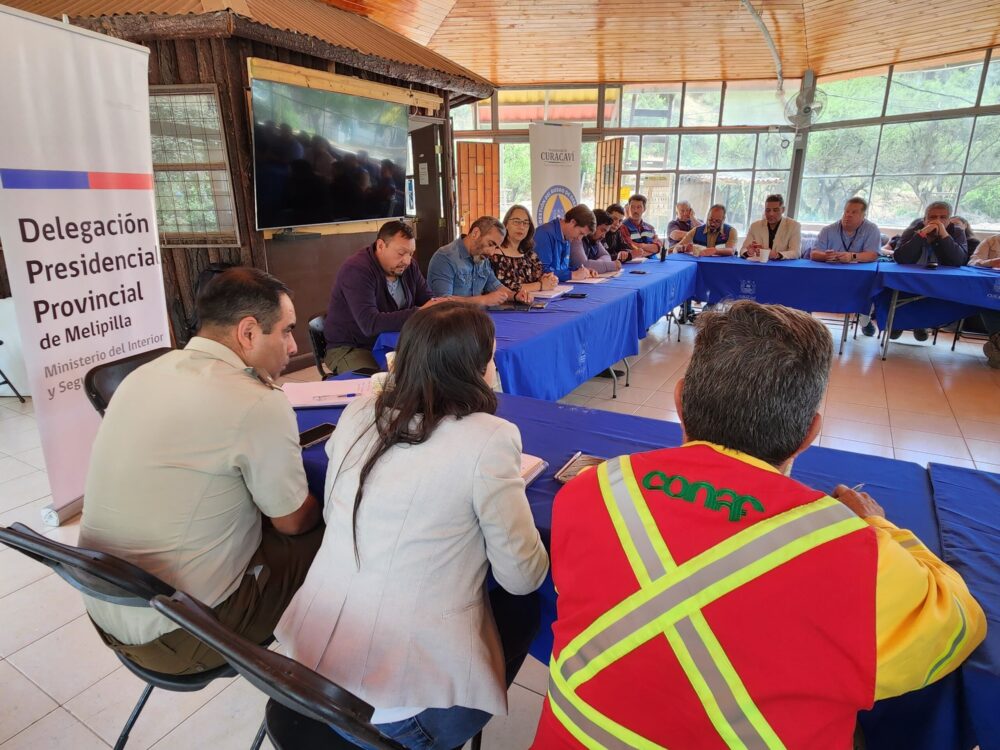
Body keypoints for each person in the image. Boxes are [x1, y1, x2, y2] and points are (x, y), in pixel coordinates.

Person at [532, 300, 986, 750]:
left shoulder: (591, 489)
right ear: (810, 434)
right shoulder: (861, 559)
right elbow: (962, 625)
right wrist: (881, 527)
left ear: (679, 399)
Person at [277, 302, 549, 749]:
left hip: (307, 676)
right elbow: (522, 578)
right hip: (398, 718)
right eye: (491, 359)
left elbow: (336, 515)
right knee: (523, 609)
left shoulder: (359, 412)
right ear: (476, 368)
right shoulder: (490, 437)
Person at [79, 267, 323, 675]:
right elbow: (293, 522)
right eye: (285, 331)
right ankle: (344, 676)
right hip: (183, 632)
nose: (293, 346)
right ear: (248, 332)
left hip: (108, 609)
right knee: (342, 530)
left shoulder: (143, 376)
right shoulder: (255, 400)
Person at [323, 220, 445, 374]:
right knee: (378, 385)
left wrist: (439, 306)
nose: (407, 260)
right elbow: (370, 324)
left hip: (393, 342)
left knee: (432, 371)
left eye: (411, 253)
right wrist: (420, 312)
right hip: (352, 346)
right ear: (381, 246)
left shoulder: (409, 267)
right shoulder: (357, 270)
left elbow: (428, 300)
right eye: (401, 253)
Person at [428, 216, 529, 306]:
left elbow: (496, 286)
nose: (492, 253)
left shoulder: (482, 258)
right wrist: (482, 300)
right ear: (475, 233)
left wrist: (515, 296)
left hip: (476, 320)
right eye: (490, 244)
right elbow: (442, 303)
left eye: (496, 247)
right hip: (451, 324)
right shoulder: (445, 257)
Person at [489, 205, 558, 294]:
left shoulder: (530, 255)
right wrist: (540, 285)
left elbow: (538, 276)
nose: (521, 227)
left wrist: (547, 279)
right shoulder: (495, 254)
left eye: (525, 223)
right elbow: (504, 288)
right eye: (516, 222)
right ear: (506, 224)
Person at [534, 205, 600, 282]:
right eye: (580, 233)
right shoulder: (544, 233)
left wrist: (582, 271)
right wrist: (572, 275)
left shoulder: (567, 236)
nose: (579, 238)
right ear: (572, 222)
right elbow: (542, 272)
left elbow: (561, 269)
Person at [894, 201, 968, 267]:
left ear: (949, 221)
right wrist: (921, 234)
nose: (938, 221)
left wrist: (944, 235)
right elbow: (900, 259)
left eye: (943, 217)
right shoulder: (913, 229)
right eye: (933, 217)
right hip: (914, 274)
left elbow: (960, 261)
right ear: (924, 220)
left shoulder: (957, 231)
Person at [810, 197, 882, 264]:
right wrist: (826, 256)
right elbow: (814, 254)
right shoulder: (827, 230)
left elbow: (873, 255)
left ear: (863, 216)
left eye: (854, 212)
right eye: (847, 211)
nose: (848, 215)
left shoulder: (872, 229)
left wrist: (852, 257)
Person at [968, 233, 1000, 368]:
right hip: (993, 291)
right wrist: (991, 262)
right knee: (987, 299)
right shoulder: (992, 241)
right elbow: (972, 262)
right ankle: (997, 340)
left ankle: (995, 349)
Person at [740, 193, 802, 260]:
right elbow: (743, 250)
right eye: (768, 210)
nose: (771, 214)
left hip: (782, 267)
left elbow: (796, 252)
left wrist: (776, 255)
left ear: (783, 210)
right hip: (759, 266)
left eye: (775, 210)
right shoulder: (755, 226)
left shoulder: (794, 226)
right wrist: (749, 253)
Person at [570, 209, 622, 274]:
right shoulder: (577, 237)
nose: (604, 236)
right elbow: (584, 265)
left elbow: (606, 256)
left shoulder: (595, 240)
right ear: (593, 226)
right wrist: (610, 265)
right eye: (602, 230)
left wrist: (597, 264)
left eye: (606, 232)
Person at [673, 204, 737, 256]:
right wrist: (682, 248)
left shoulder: (731, 231)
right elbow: (676, 247)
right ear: (707, 216)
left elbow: (731, 250)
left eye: (717, 221)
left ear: (723, 219)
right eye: (710, 219)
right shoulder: (696, 231)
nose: (713, 224)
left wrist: (714, 251)